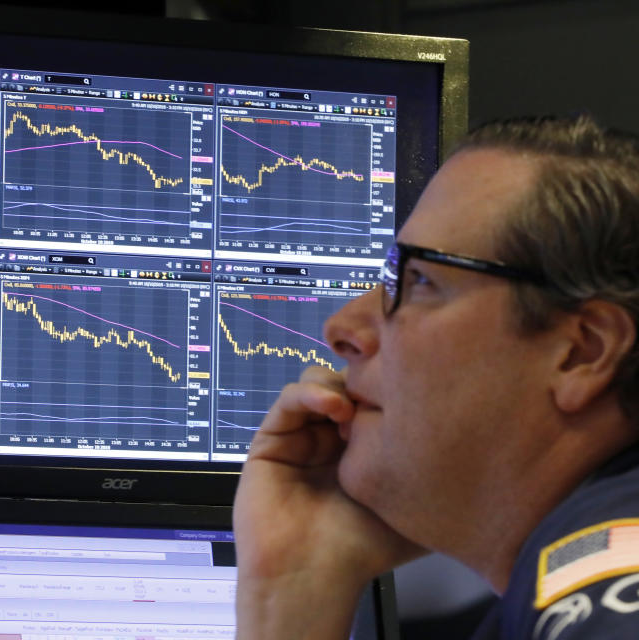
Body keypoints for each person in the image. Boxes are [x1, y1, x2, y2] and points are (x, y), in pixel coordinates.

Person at [233, 114, 639, 640]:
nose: (341, 329)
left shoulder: (606, 583)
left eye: (419, 280)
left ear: (582, 352)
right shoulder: (542, 592)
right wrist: (294, 590)